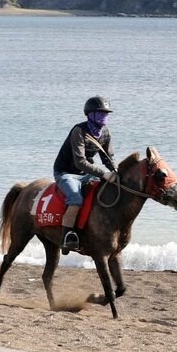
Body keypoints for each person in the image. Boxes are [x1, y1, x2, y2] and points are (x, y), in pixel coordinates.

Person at [53, 95, 118, 253]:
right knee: (76, 198)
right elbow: (80, 162)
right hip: (66, 173)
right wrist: (103, 174)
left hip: (87, 173)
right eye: (101, 113)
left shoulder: (105, 133)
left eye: (106, 113)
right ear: (90, 114)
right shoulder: (79, 131)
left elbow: (108, 158)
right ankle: (66, 236)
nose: (104, 116)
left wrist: (116, 172)